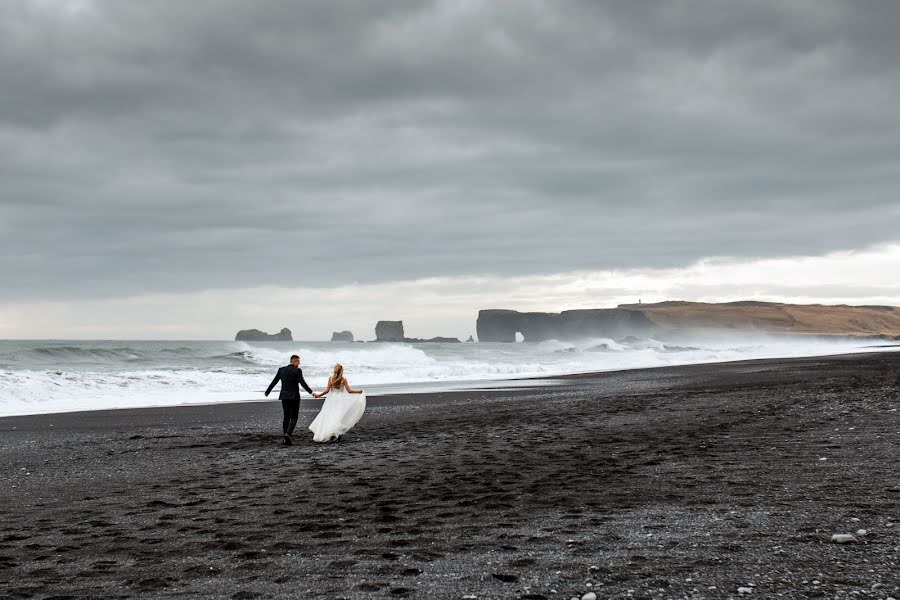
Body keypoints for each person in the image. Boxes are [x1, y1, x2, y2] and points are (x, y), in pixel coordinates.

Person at [309, 363, 366, 442]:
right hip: (340, 399)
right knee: (339, 416)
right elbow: (349, 391)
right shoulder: (343, 379)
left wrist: (319, 395)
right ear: (341, 371)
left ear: (334, 370)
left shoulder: (330, 379)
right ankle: (336, 433)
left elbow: (326, 391)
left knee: (330, 416)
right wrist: (359, 391)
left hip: (331, 399)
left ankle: (332, 433)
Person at [265, 354, 314, 445]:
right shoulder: (298, 370)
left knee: (286, 416)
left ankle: (285, 437)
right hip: (294, 396)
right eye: (298, 361)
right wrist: (311, 392)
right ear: (294, 361)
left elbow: (274, 381)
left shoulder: (281, 370)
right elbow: (302, 383)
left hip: (284, 396)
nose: (299, 363)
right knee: (294, 416)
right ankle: (288, 434)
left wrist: (267, 391)